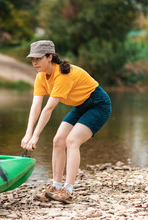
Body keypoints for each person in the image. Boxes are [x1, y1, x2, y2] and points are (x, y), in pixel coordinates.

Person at [21, 40, 111, 203]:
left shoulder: (63, 75)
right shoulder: (41, 77)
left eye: (38, 58)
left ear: (49, 57)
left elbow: (48, 109)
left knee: (72, 141)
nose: (34, 63)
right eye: (32, 59)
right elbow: (36, 106)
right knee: (58, 141)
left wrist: (36, 136)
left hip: (98, 105)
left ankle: (68, 190)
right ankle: (56, 187)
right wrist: (28, 133)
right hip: (80, 105)